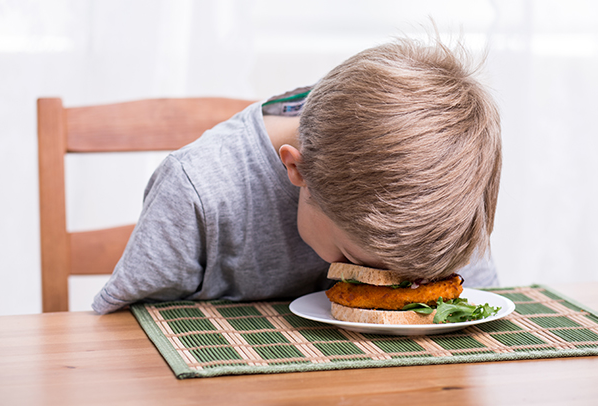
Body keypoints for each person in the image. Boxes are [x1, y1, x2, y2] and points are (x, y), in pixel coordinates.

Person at [92, 36, 502, 314]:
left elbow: (479, 301)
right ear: (297, 169)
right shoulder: (199, 189)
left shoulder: (448, 180)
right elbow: (125, 333)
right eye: (353, 259)